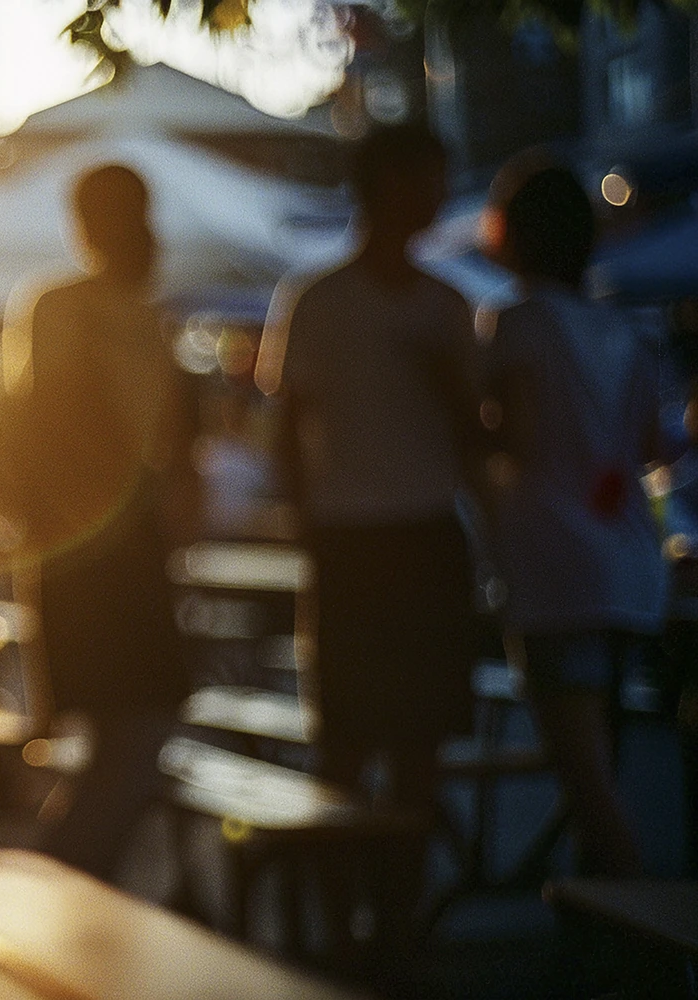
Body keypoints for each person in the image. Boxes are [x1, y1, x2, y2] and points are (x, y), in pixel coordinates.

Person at [256, 124, 482, 952]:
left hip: (421, 539)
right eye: (425, 179)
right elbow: (286, 432)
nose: (433, 197)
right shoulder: (320, 303)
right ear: (385, 186)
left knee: (416, 751)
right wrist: (305, 527)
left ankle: (395, 928)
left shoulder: (446, 306)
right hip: (353, 541)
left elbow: (478, 436)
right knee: (347, 745)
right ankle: (344, 925)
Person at [0, 164, 192, 881]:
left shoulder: (142, 314)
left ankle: (74, 884)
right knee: (134, 725)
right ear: (91, 226)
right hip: (88, 554)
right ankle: (65, 881)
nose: (140, 227)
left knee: (127, 733)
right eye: (122, 212)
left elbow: (160, 439)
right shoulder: (64, 307)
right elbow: (48, 423)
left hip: (122, 549)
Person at [481, 156, 668, 877]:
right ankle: (604, 940)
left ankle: (650, 950)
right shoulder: (621, 330)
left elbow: (516, 439)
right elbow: (654, 446)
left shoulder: (517, 322)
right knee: (605, 765)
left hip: (554, 567)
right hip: (630, 567)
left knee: (586, 783)